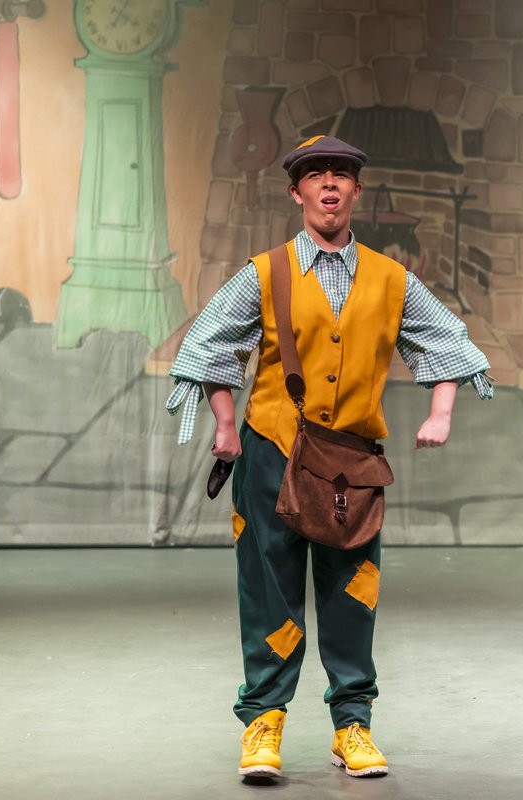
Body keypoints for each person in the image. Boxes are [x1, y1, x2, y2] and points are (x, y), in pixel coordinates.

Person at [166, 135, 493, 780]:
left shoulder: (390, 278)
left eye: (341, 174)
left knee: (352, 590)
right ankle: (263, 721)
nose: (330, 185)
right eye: (316, 176)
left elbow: (447, 339)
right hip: (273, 452)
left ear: (356, 190)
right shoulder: (266, 273)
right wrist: (226, 424)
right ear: (297, 193)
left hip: (352, 464)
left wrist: (442, 412)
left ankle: (352, 725)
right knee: (269, 588)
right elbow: (208, 343)